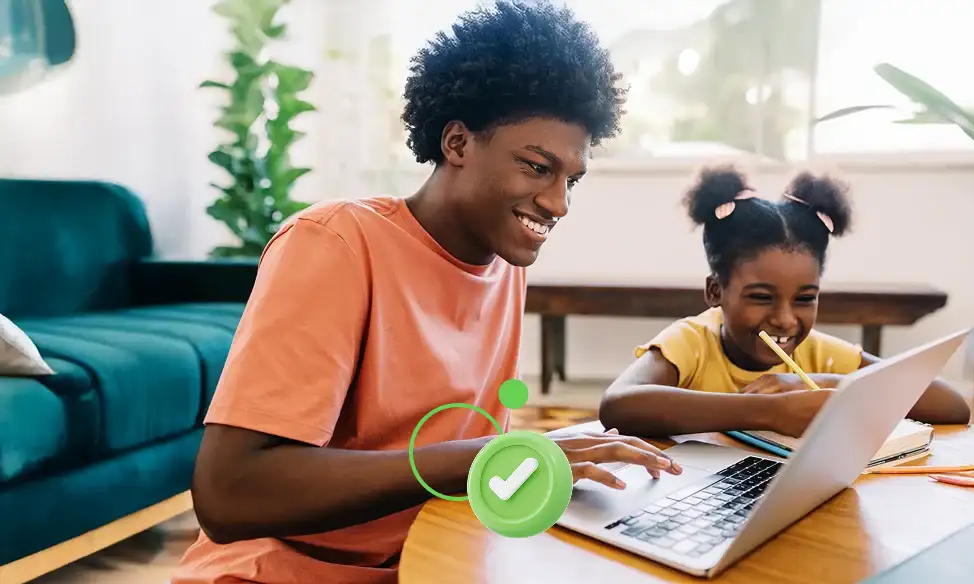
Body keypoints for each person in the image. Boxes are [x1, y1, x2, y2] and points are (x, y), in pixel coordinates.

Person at [172, 3, 682, 584]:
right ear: (458, 143)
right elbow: (229, 494)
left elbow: (455, 461)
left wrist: (550, 475)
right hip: (287, 571)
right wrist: (486, 459)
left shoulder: (503, 261)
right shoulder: (335, 243)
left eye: (572, 180)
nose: (559, 203)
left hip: (434, 558)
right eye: (536, 167)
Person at [598, 165, 971, 439]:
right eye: (761, 297)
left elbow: (952, 406)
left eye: (805, 298)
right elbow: (618, 405)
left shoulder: (819, 355)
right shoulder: (692, 343)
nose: (786, 319)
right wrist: (769, 412)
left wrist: (827, 384)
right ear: (715, 292)